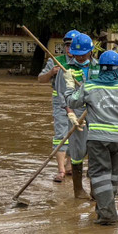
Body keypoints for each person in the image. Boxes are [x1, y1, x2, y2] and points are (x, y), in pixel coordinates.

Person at [68, 50, 118, 225]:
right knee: (113, 176)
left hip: (98, 139)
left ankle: (108, 215)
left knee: (99, 176)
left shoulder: (89, 87)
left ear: (101, 69)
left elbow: (72, 103)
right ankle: (102, 210)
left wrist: (70, 87)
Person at [36, 29, 79, 183]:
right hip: (60, 104)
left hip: (78, 103)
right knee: (61, 134)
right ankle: (60, 170)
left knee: (77, 134)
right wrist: (51, 73)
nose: (69, 49)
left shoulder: (83, 61)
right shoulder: (56, 60)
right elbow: (41, 79)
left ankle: (69, 166)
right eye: (67, 46)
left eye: (72, 46)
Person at [63, 32, 96, 198]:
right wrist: (71, 115)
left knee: (97, 150)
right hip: (77, 114)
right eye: (77, 55)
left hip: (96, 113)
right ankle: (78, 190)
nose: (80, 58)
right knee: (78, 151)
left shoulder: (98, 67)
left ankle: (96, 189)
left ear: (90, 51)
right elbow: (65, 96)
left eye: (83, 54)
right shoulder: (68, 70)